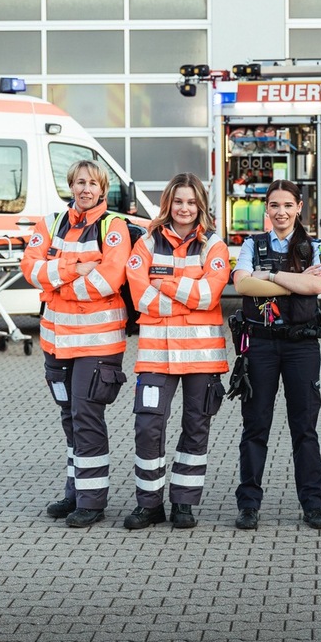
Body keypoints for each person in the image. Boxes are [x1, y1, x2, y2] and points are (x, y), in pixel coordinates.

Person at [21, 160, 131, 528]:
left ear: (103, 189)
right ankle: (75, 492)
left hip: (97, 345)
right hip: (56, 344)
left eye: (93, 183)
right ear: (70, 186)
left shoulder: (113, 227)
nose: (86, 189)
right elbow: (30, 269)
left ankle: (92, 501)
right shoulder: (50, 224)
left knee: (86, 416)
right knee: (70, 419)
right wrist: (75, 268)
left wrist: (56, 284)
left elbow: (108, 279)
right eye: (79, 182)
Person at [123, 173, 230, 530]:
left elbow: (209, 297)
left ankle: (183, 503)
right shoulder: (148, 243)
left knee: (195, 427)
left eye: (191, 202)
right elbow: (140, 297)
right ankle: (149, 504)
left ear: (201, 205)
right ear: (168, 203)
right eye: (178, 201)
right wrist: (186, 295)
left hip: (202, 357)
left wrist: (164, 283)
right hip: (157, 355)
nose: (184, 209)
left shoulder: (215, 246)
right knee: (148, 427)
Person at [230, 179, 321, 531]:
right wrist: (294, 281)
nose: (281, 212)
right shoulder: (251, 244)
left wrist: (270, 274)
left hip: (301, 347)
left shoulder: (312, 246)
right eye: (274, 205)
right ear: (267, 209)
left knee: (304, 428)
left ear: (299, 208)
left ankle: (313, 505)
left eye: (288, 205)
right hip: (259, 345)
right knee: (255, 426)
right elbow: (242, 284)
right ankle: (249, 505)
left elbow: (316, 287)